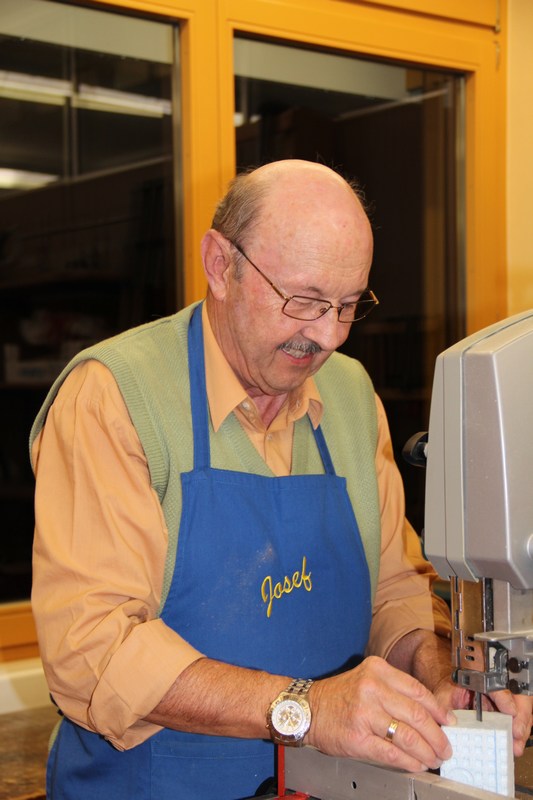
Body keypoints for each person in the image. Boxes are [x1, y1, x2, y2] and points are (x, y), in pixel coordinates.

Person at [31, 160, 532, 800]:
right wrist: (308, 709)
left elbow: (392, 588)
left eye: (348, 305)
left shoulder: (351, 395)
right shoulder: (114, 396)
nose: (327, 336)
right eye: (305, 301)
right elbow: (94, 652)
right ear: (221, 265)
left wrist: (437, 673)